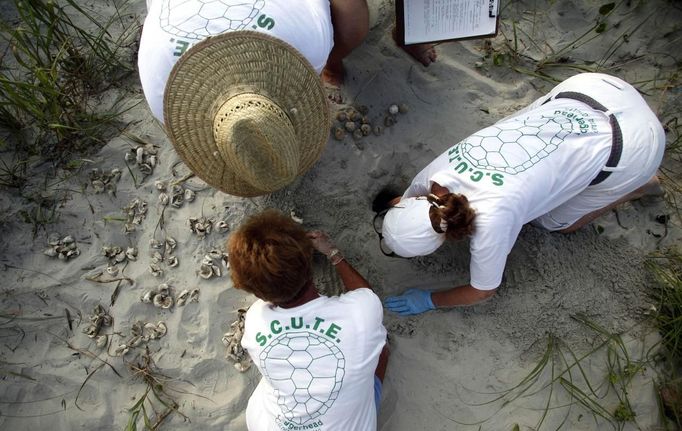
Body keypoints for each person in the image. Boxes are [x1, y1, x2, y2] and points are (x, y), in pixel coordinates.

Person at [380, 73, 666, 316]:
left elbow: (482, 291)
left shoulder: (491, 222)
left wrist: (428, 300)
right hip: (592, 88)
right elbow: (400, 202)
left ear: (442, 239)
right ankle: (641, 123)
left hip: (634, 148)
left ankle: (639, 184)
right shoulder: (431, 176)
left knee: (553, 223)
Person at [136, 0, 368, 197]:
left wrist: (330, 60)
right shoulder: (160, 89)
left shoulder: (309, 38)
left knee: (352, 27)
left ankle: (333, 65)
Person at [228, 209, 389, 430]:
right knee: (382, 349)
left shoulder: (256, 320)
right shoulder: (360, 315)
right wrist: (333, 253)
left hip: (266, 424)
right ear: (308, 264)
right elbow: (366, 296)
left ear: (258, 294)